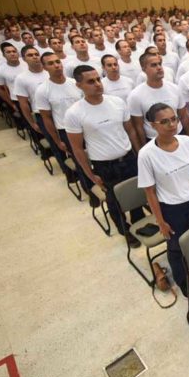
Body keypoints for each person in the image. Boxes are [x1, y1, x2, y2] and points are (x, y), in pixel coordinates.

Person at [64, 65, 144, 247]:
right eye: (90, 81)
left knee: (136, 195)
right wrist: (90, 175)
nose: (97, 84)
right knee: (114, 201)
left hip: (128, 158)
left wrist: (138, 153)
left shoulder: (116, 102)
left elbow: (130, 130)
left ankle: (138, 224)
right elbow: (77, 149)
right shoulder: (74, 113)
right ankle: (125, 231)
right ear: (79, 86)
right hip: (105, 165)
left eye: (98, 79)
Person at [138, 103, 189, 298]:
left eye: (174, 119)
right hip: (170, 208)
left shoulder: (186, 141)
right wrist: (160, 221)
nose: (171, 124)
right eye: (164, 121)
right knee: (176, 247)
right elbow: (150, 192)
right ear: (153, 125)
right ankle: (183, 281)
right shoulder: (146, 154)